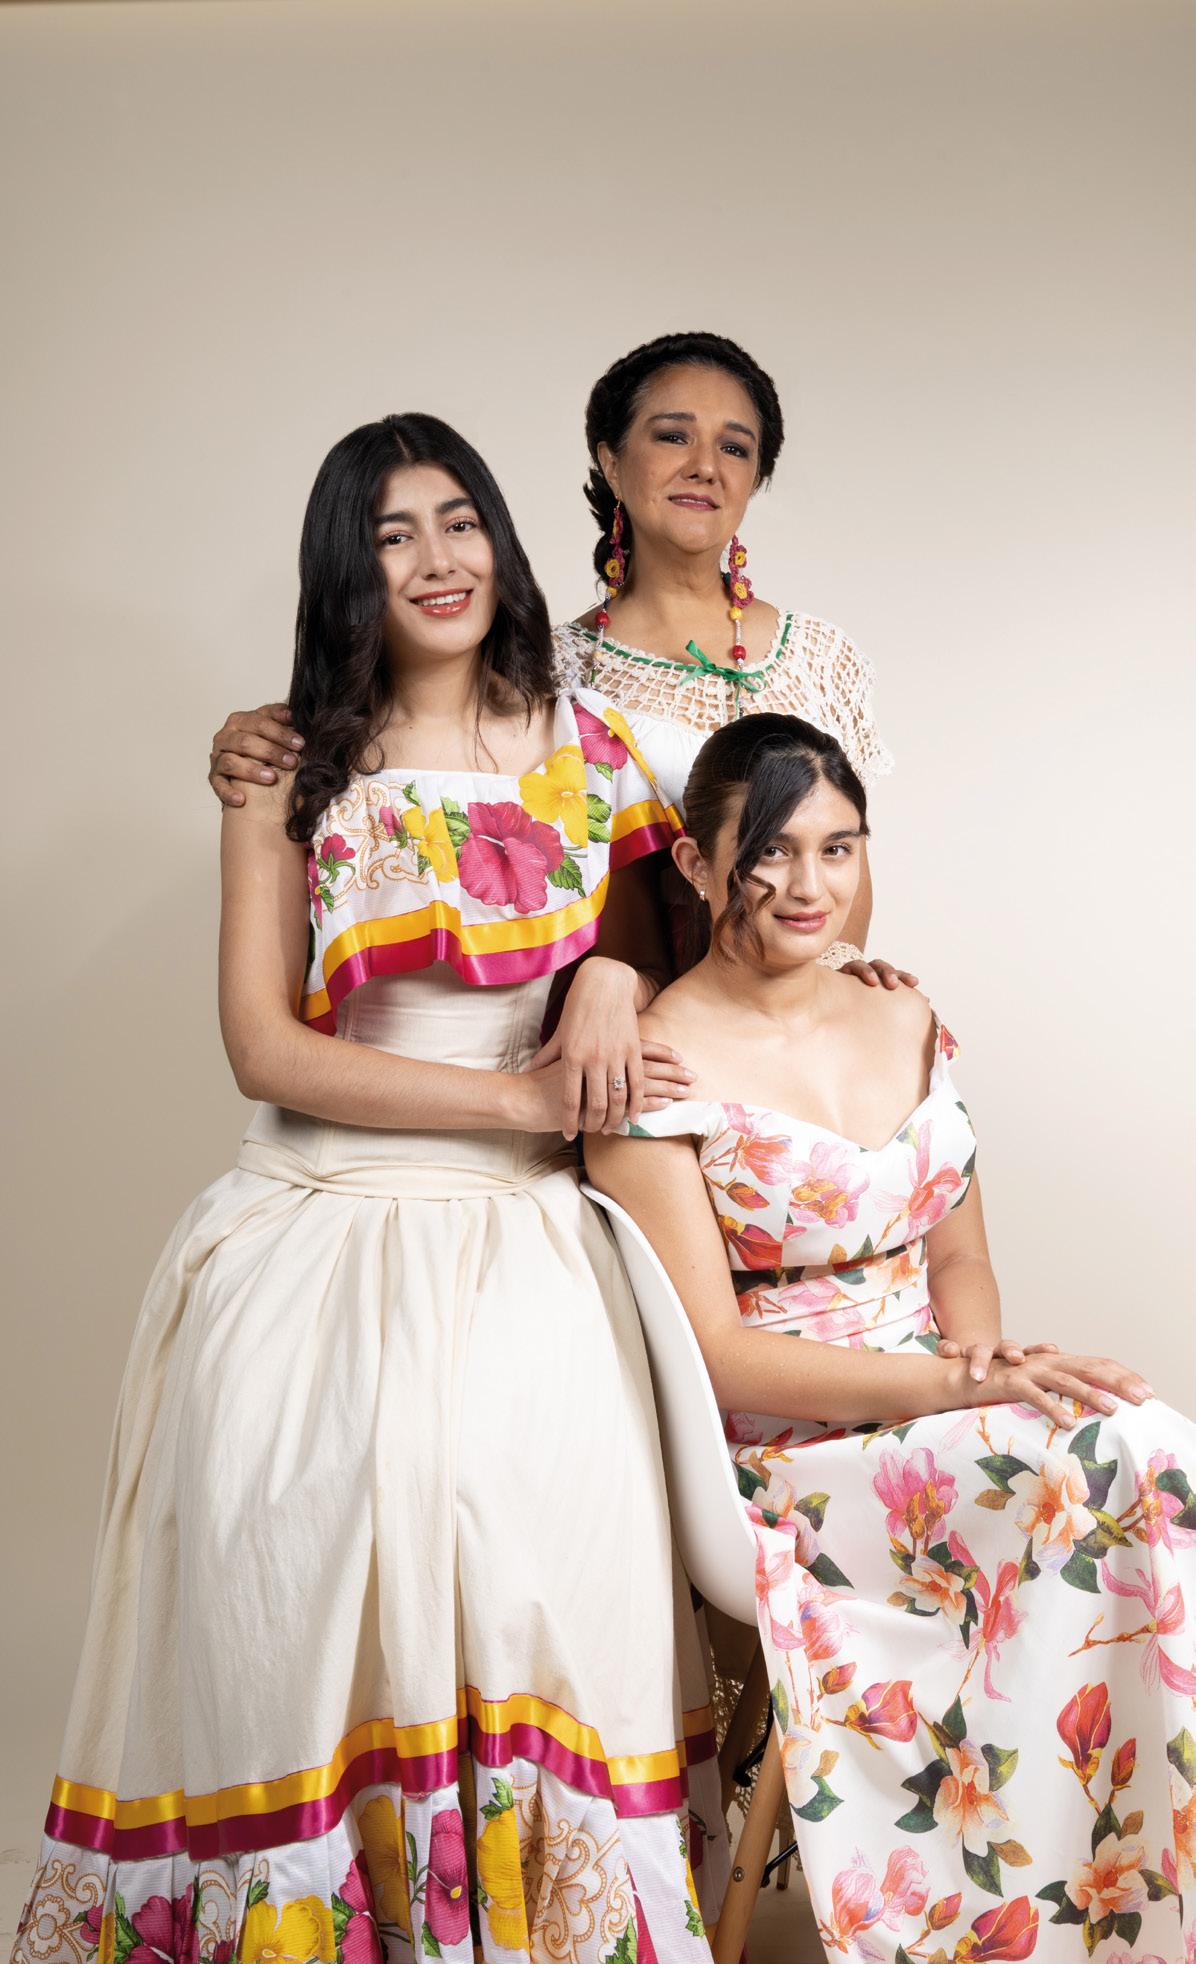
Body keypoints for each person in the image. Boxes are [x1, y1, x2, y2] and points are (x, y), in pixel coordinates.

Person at [12, 414, 723, 1964]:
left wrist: (613, 977)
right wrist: (517, 1097)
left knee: (534, 1574)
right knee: (303, 1591)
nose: (436, 559)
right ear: (348, 571)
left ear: (503, 542)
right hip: (320, 1228)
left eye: (458, 521)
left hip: (532, 1242)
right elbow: (262, 1047)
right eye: (393, 534)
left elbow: (680, 940)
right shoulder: (285, 764)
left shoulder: (591, 750)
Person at [586, 713, 1196, 1963]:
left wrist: (984, 1370)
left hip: (939, 1395)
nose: (806, 884)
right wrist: (948, 1390)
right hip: (785, 1449)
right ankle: (1039, 1916)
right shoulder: (654, 1065)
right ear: (696, 863)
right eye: (767, 851)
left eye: (836, 846)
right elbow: (717, 1352)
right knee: (1122, 1456)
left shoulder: (902, 1010)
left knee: (1139, 1441)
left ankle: (1131, 1893)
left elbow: (957, 1255)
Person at [207, 332, 912, 987]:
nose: (704, 466)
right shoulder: (543, 674)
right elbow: (406, 721)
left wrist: (830, 994)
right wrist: (272, 735)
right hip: (613, 1032)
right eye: (673, 435)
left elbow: (843, 863)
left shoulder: (821, 658)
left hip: (795, 1019)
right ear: (611, 461)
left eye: (735, 447)